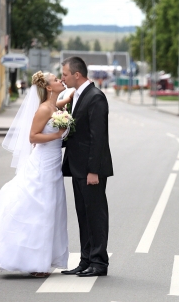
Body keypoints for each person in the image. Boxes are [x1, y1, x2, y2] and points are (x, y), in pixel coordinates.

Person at [0, 71, 72, 278]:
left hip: (54, 164)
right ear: (48, 87)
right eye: (56, 80)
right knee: (41, 211)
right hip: (43, 164)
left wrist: (70, 97)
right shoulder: (45, 109)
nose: (60, 81)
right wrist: (56, 135)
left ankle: (44, 259)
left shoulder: (54, 106)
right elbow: (32, 136)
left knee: (52, 210)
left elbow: (59, 105)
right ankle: (36, 263)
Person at [60, 56, 113, 277]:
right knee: (83, 215)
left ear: (77, 75)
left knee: (96, 216)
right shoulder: (78, 95)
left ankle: (99, 263)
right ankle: (86, 260)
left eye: (64, 74)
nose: (62, 78)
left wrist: (93, 170)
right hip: (77, 167)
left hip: (91, 170)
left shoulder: (96, 97)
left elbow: (97, 138)